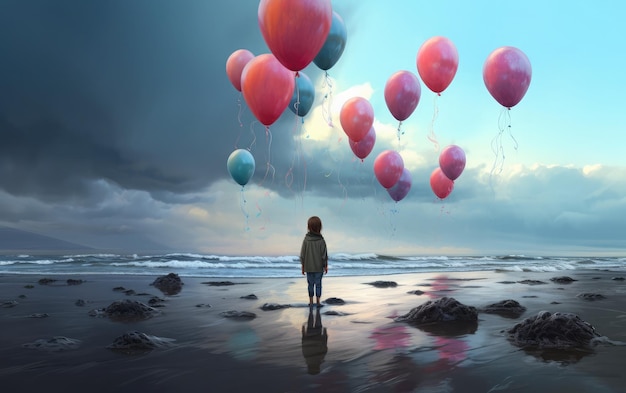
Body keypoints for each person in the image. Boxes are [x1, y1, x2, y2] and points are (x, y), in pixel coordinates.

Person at [300, 216, 328, 307]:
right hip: (319, 267)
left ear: (308, 227)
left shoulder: (306, 240)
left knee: (310, 284)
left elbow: (302, 254)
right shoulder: (321, 240)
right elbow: (324, 255)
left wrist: (303, 266)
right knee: (318, 284)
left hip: (308, 267)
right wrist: (325, 265)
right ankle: (318, 302)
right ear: (320, 227)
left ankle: (311, 301)